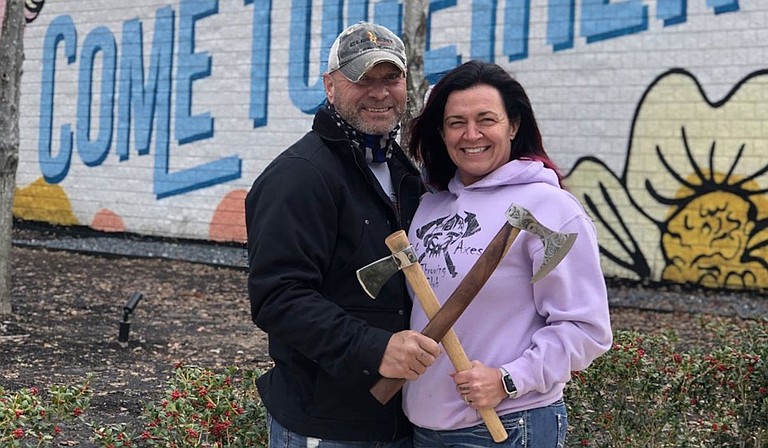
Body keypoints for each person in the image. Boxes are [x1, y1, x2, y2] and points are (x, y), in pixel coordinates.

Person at [245, 22, 441, 447]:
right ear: (330, 86)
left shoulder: (402, 172)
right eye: (362, 79)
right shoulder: (299, 177)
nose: (379, 92)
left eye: (391, 78)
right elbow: (278, 299)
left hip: (399, 420)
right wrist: (375, 349)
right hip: (327, 426)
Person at [401, 60, 613, 447]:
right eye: (456, 123)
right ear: (441, 132)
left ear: (513, 125)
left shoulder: (549, 209)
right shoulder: (431, 206)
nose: (471, 134)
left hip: (506, 426)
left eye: (486, 119)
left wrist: (509, 379)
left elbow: (586, 329)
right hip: (425, 427)